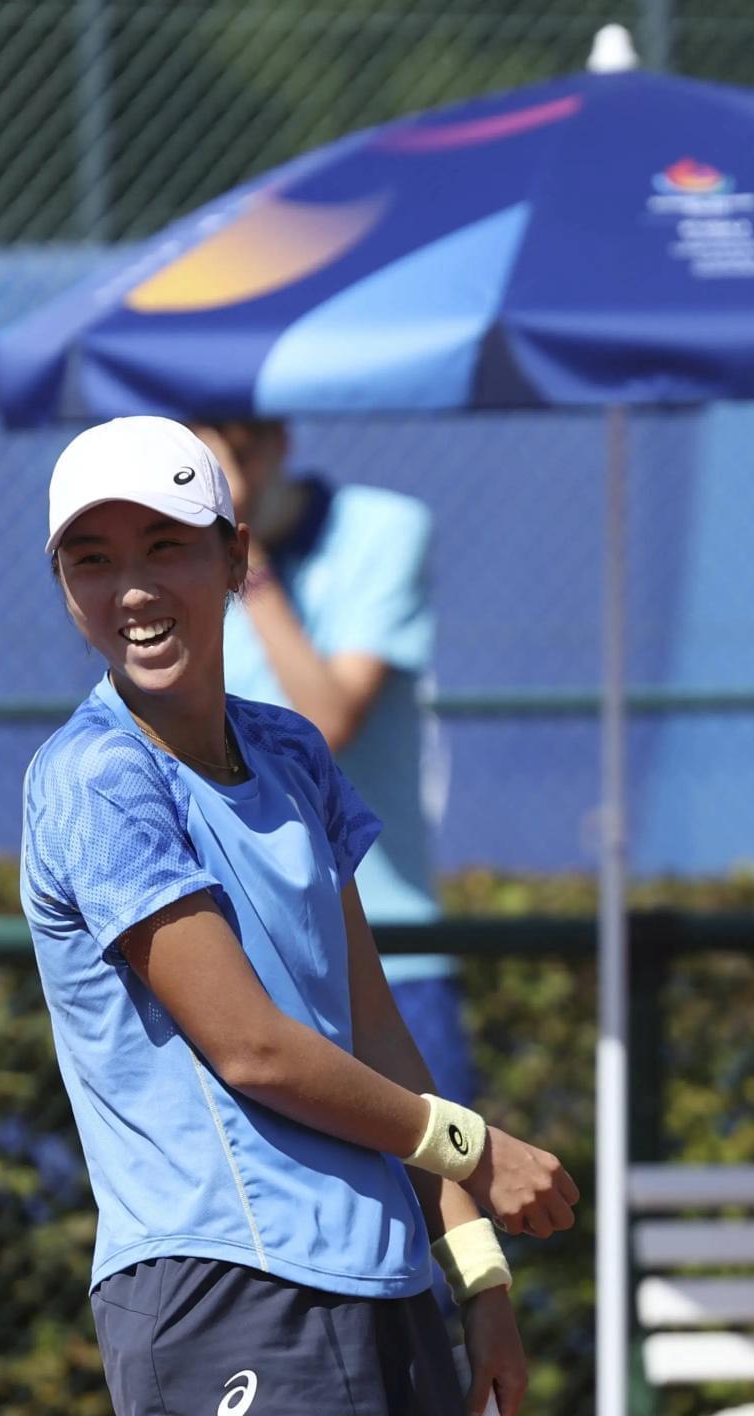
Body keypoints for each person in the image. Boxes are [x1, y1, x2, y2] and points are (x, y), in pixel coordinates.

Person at [19, 416, 579, 1416]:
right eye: (93, 560)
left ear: (235, 560)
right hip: (223, 1287)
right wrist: (475, 1147)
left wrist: (475, 1270)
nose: (133, 588)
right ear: (64, 588)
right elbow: (253, 1050)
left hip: (388, 1282)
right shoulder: (94, 780)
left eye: (166, 547)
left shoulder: (288, 751)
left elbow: (369, 1025)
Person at [195, 419, 477, 1111]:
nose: (216, 476)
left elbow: (326, 722)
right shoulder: (175, 570)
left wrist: (244, 558)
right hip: (246, 971)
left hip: (391, 960)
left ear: (278, 443)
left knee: (442, 1175)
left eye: (233, 451)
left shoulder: (384, 530)